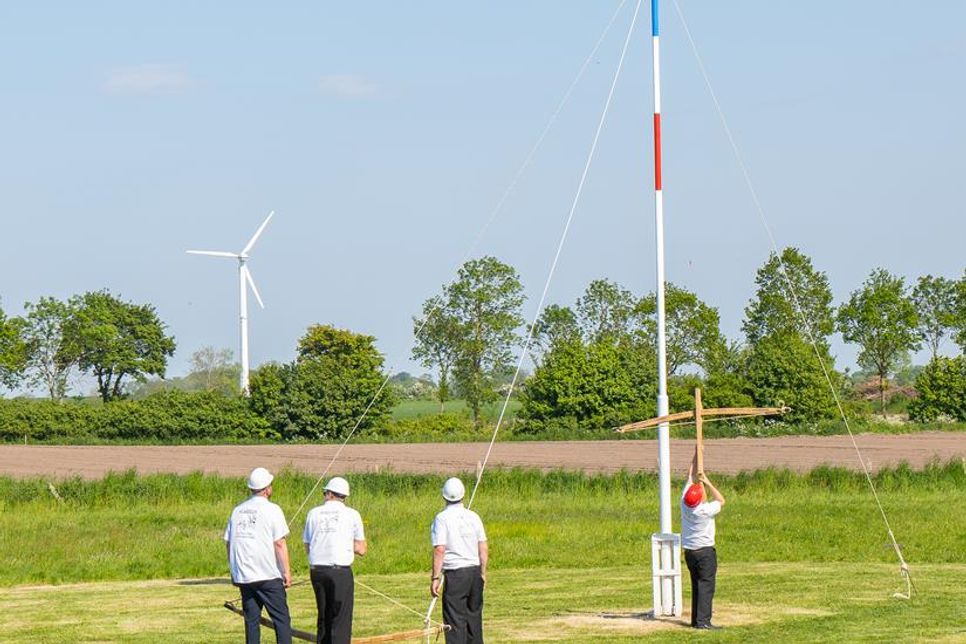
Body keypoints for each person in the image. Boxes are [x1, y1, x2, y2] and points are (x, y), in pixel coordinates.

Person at [225, 467, 293, 644]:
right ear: (267, 488)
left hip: (245, 576)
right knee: (281, 621)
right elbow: (279, 543)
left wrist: (234, 571)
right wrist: (286, 572)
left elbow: (229, 542)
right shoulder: (273, 509)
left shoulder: (237, 510)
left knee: (252, 622)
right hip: (267, 575)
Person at [303, 476, 367, 644]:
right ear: (344, 496)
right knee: (340, 620)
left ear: (330, 493)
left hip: (317, 570)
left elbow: (307, 545)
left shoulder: (313, 513)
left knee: (323, 617)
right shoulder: (352, 514)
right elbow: (361, 548)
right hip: (340, 572)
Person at [430, 477, 488, 644]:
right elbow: (483, 547)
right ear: (463, 495)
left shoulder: (441, 518)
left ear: (444, 496)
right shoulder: (474, 517)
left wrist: (435, 578)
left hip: (456, 574)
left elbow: (440, 549)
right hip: (474, 572)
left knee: (455, 623)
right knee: (474, 621)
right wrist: (482, 572)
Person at [681, 448, 726, 630]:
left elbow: (689, 475)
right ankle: (703, 622)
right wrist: (707, 482)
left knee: (696, 585)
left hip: (690, 552)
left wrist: (696, 453)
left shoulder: (684, 504)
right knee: (706, 586)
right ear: (700, 500)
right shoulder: (703, 511)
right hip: (705, 553)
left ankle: (696, 620)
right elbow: (721, 500)